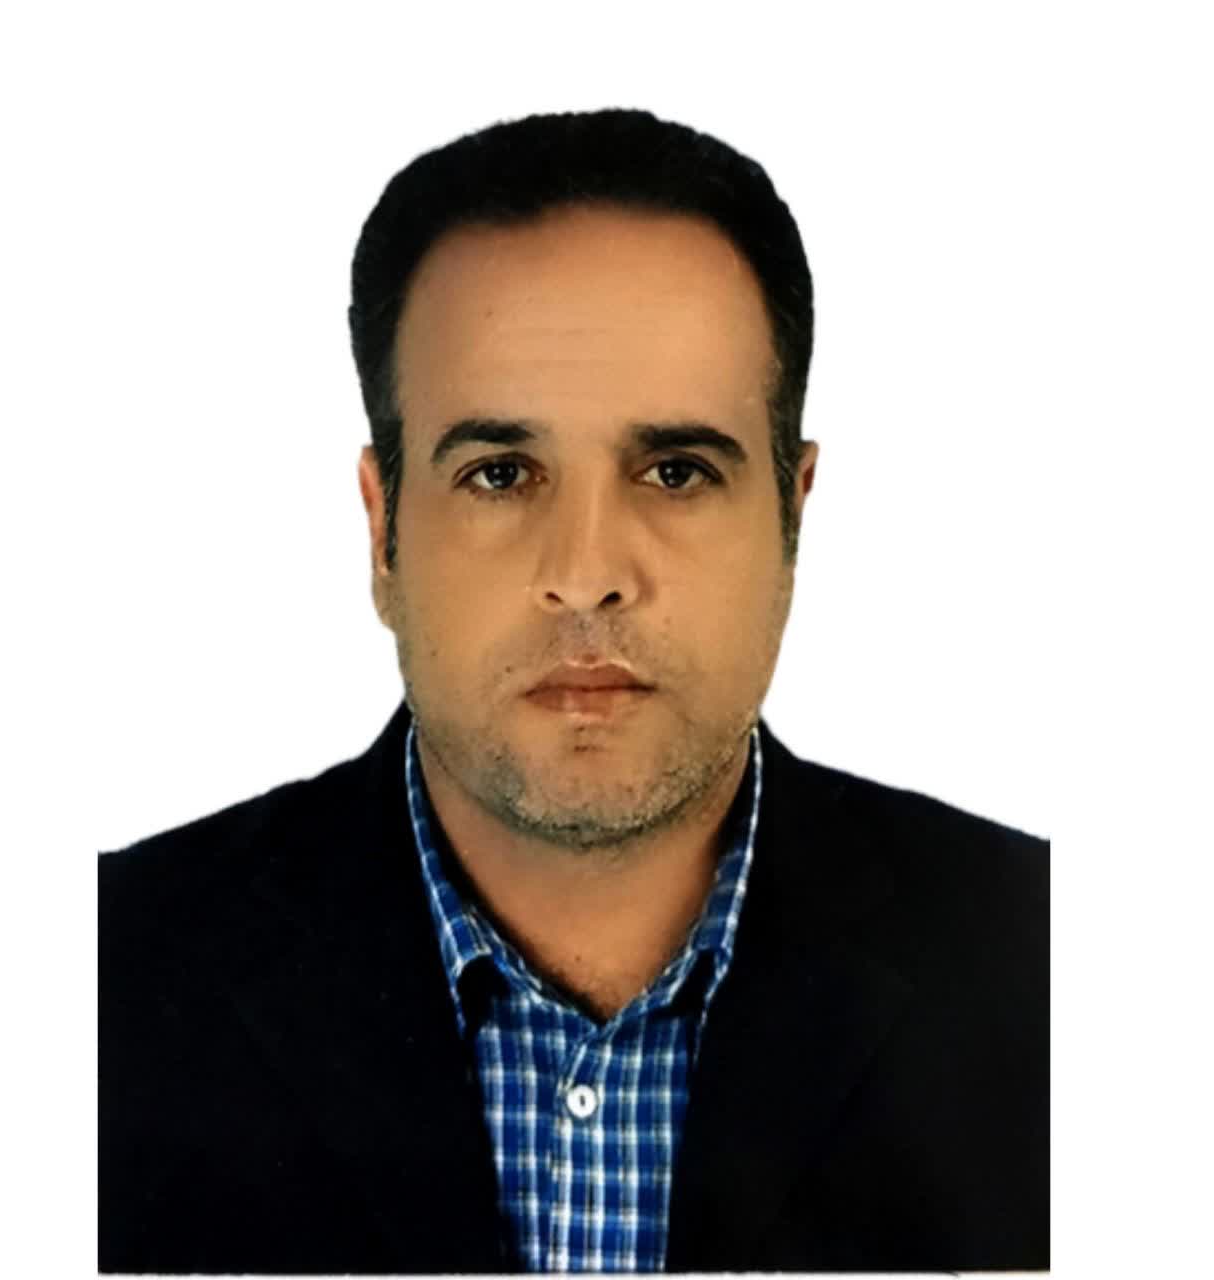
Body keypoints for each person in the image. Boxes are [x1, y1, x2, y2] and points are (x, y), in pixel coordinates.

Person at [99, 108, 1049, 1273]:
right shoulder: (93, 983)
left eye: (675, 471)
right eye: (500, 473)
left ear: (792, 516)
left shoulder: (1060, 968)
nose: (587, 572)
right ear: (382, 530)